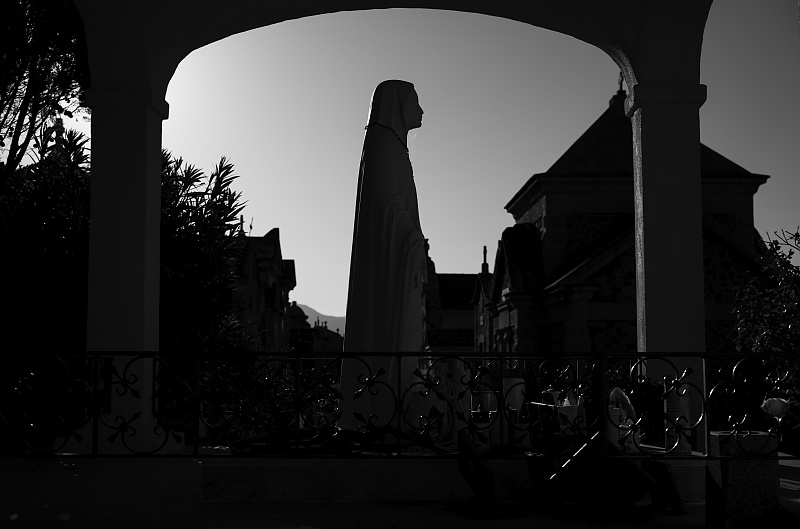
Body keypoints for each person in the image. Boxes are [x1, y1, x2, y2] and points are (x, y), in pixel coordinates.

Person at [338, 80, 427, 436]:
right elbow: (386, 204)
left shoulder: (393, 147)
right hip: (390, 259)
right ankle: (379, 413)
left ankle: (394, 411)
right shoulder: (383, 145)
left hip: (401, 256)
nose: (421, 111)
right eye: (415, 103)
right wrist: (411, 239)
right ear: (398, 106)